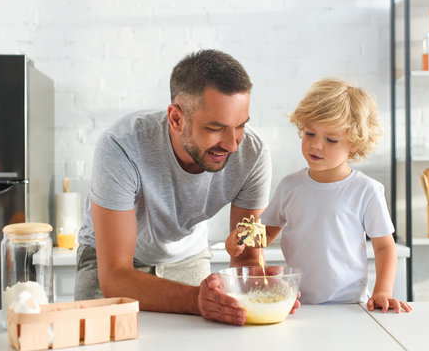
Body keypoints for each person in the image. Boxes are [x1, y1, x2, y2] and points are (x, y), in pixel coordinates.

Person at [75, 49, 293, 326]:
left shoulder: (253, 153)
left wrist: (259, 287)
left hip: (186, 257)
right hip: (110, 264)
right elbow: (115, 276)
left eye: (240, 126)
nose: (232, 144)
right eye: (216, 128)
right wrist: (196, 301)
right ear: (176, 119)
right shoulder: (121, 146)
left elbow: (247, 257)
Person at [226, 77, 412, 313]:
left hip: (350, 306)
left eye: (331, 139)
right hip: (298, 304)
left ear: (354, 143)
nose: (316, 145)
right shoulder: (290, 186)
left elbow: (385, 247)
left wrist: (382, 292)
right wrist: (240, 241)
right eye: (310, 133)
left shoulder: (367, 190)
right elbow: (265, 232)